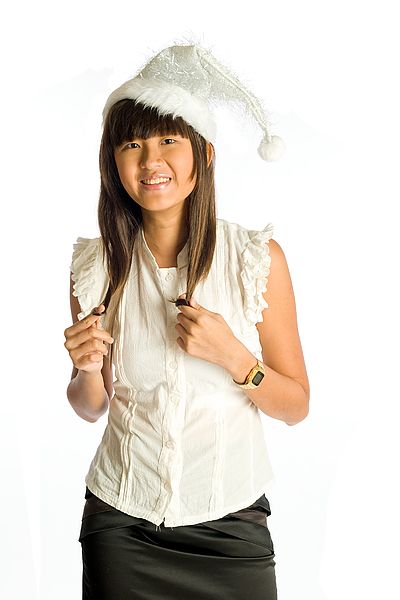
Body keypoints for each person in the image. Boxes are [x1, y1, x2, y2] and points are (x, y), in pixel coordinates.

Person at [63, 43, 310, 600]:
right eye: (132, 144)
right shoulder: (94, 265)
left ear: (205, 154)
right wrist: (85, 369)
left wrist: (234, 357)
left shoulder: (255, 260)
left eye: (168, 140)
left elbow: (296, 405)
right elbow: (90, 406)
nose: (151, 161)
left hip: (232, 523)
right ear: (114, 162)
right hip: (122, 525)